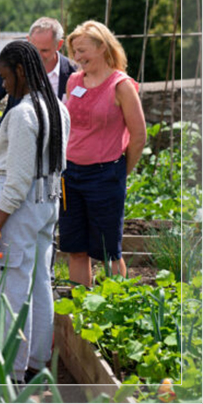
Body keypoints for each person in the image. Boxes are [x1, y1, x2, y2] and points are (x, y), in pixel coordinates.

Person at [0, 40, 71, 384]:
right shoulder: (58, 108)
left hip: (19, 207)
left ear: (20, 72)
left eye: (5, 77)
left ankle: (12, 371)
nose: (3, 85)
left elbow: (17, 181)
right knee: (39, 284)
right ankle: (37, 361)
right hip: (47, 201)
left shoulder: (22, 115)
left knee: (13, 289)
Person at [60, 20, 146, 287]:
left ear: (102, 47)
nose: (77, 58)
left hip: (104, 175)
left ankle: (116, 308)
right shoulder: (74, 80)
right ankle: (79, 311)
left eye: (83, 50)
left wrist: (118, 173)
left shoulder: (121, 85)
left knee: (109, 251)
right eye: (74, 52)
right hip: (70, 175)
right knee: (76, 248)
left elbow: (139, 136)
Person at [0, 17, 77, 148]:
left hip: (58, 155)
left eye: (45, 50)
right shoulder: (16, 67)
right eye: (34, 49)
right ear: (28, 40)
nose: (38, 56)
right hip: (15, 149)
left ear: (59, 45)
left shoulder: (74, 74)